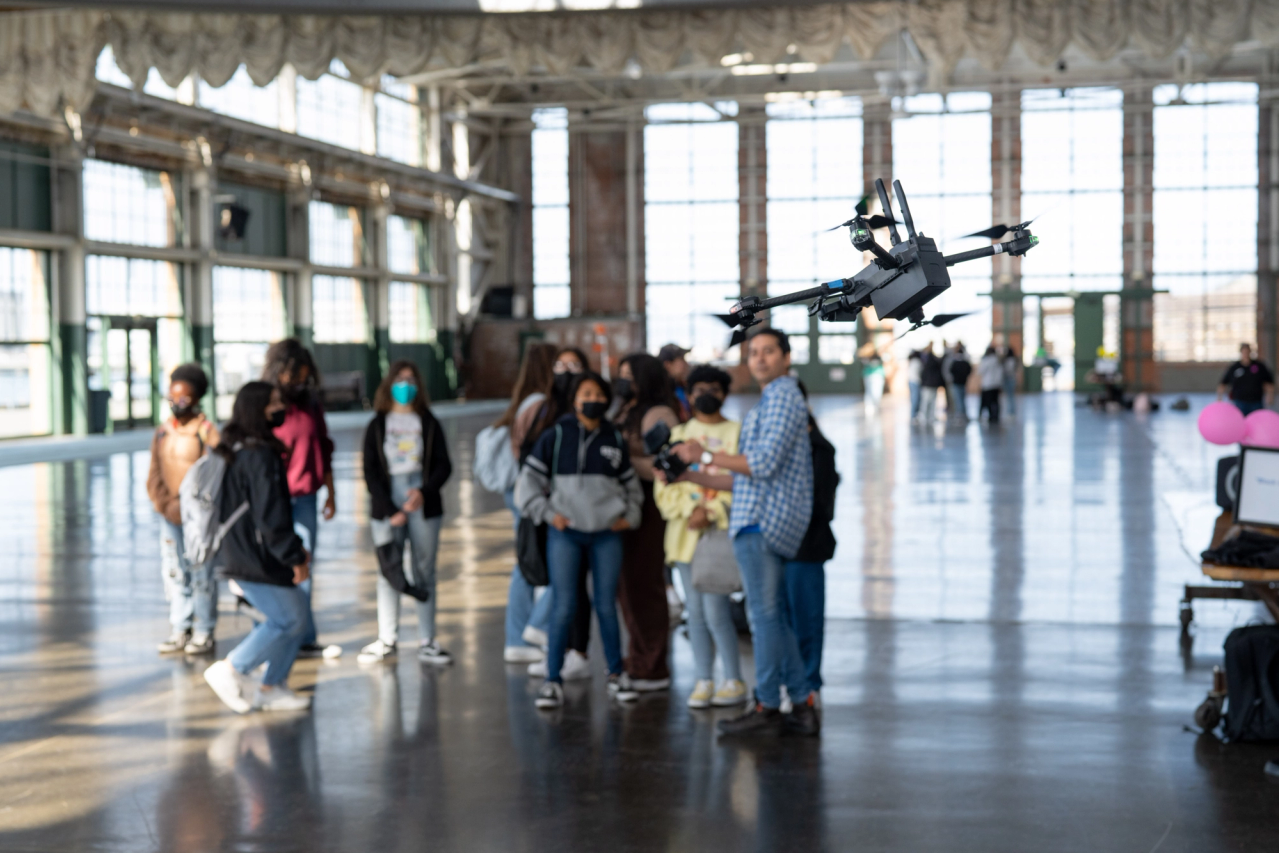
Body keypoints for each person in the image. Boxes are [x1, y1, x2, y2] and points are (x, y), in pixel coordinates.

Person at [673, 328, 818, 737]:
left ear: (786, 357)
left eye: (768, 351)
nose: (759, 358)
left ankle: (768, 704)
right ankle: (802, 701)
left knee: (764, 617)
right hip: (757, 514)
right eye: (753, 352)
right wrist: (689, 473)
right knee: (772, 617)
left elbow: (763, 464)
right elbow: (745, 478)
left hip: (764, 521)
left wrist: (702, 453)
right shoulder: (771, 401)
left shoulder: (784, 398)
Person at [516, 372, 644, 709]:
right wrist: (547, 514)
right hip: (565, 535)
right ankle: (552, 680)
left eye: (600, 394)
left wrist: (629, 517)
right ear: (574, 400)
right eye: (586, 393)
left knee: (606, 605)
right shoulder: (556, 436)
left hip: (606, 536)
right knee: (563, 606)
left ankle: (617, 675)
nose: (594, 400)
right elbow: (527, 482)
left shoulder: (614, 438)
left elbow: (631, 486)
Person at [202, 381, 313, 714]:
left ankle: (272, 686)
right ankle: (232, 668)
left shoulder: (237, 447)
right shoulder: (259, 455)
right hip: (255, 555)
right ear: (257, 410)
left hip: (244, 551)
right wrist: (295, 556)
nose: (281, 408)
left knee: (296, 615)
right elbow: (271, 515)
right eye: (274, 403)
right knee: (288, 619)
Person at [652, 365, 747, 709]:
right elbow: (662, 489)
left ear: (724, 393)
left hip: (719, 536)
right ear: (688, 396)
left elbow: (744, 479)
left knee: (717, 611)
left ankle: (733, 679)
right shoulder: (677, 434)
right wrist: (689, 509)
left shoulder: (738, 432)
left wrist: (712, 511)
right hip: (683, 539)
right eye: (698, 389)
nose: (705, 394)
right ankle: (704, 679)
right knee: (694, 612)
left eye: (713, 388)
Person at [356, 360, 454, 666]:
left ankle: (427, 640)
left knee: (425, 571)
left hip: (422, 503)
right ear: (389, 384)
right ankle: (388, 638)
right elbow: (370, 471)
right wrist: (388, 509)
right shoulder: (378, 424)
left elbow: (443, 464)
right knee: (389, 570)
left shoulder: (428, 421)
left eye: (411, 380)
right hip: (388, 503)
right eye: (400, 379)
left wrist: (423, 493)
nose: (405, 385)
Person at [262, 339, 341, 660]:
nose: (299, 383)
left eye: (304, 378)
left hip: (307, 498)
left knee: (304, 566)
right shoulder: (266, 404)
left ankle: (305, 638)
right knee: (276, 567)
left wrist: (331, 491)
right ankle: (278, 630)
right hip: (274, 502)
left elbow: (324, 445)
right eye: (294, 377)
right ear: (280, 371)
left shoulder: (311, 403)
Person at [522, 346, 596, 681]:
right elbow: (529, 453)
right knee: (558, 581)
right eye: (560, 365)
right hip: (551, 512)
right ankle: (557, 650)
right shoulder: (544, 410)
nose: (566, 371)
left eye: (574, 365)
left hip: (582, 512)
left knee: (577, 585)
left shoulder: (591, 410)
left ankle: (577, 650)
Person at [614, 352, 681, 692]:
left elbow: (664, 464)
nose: (623, 381)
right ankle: (637, 656)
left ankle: (653, 666)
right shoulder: (624, 408)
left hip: (650, 507)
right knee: (625, 586)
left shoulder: (660, 413)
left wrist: (623, 461)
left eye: (629, 375)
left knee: (644, 584)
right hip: (623, 504)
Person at [148, 363, 221, 655]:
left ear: (197, 398)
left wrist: (197, 509)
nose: (176, 404)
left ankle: (204, 630)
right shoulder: (162, 433)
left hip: (199, 518)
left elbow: (215, 474)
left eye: (183, 398)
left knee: (202, 571)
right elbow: (154, 474)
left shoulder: (206, 432)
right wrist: (165, 504)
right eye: (172, 396)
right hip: (170, 515)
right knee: (175, 571)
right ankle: (181, 627)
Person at [497, 342, 559, 663]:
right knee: (542, 559)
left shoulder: (524, 402)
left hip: (520, 490)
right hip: (532, 492)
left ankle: (518, 636)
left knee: (526, 559)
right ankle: (535, 626)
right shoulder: (540, 405)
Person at [785, 381, 840, 707]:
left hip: (805, 547)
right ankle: (784, 681)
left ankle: (808, 685)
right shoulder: (768, 442)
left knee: (806, 618)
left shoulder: (819, 449)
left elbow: (822, 506)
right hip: (774, 548)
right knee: (777, 619)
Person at [1217, 343, 1275, 415]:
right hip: (1239, 401)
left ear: (1250, 352)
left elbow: (1269, 383)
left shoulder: (1259, 366)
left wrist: (1270, 396)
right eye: (1244, 352)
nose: (1246, 354)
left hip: (1256, 401)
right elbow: (1223, 383)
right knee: (1241, 422)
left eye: (1247, 352)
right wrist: (1219, 399)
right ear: (1241, 352)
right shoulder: (1234, 367)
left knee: (1256, 422)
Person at [658, 344, 693, 420]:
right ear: (668, 364)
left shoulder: (682, 386)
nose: (686, 364)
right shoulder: (661, 393)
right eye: (682, 359)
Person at [918, 344, 944, 425]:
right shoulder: (934, 361)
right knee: (930, 401)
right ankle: (928, 416)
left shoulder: (927, 362)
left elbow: (923, 374)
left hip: (928, 384)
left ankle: (926, 416)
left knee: (927, 401)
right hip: (931, 384)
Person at [978, 346, 1005, 424]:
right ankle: (996, 416)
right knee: (995, 401)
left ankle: (990, 416)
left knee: (988, 401)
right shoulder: (998, 361)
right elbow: (1001, 373)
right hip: (996, 384)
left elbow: (980, 371)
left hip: (987, 384)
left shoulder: (986, 361)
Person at [948, 343, 972, 423]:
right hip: (963, 382)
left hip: (957, 383)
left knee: (958, 399)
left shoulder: (955, 363)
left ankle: (960, 414)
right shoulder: (965, 363)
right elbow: (969, 370)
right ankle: (963, 414)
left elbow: (951, 371)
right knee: (962, 399)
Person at [1001, 345, 1020, 415]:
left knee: (1010, 396)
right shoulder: (1011, 360)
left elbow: (1009, 370)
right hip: (1009, 378)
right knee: (1009, 396)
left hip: (1010, 378)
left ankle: (1011, 411)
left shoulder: (1010, 360)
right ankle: (1010, 410)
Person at [906, 349, 923, 420]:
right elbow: (920, 373)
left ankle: (915, 414)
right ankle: (914, 415)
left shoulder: (912, 361)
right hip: (915, 382)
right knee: (915, 399)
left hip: (911, 381)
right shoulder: (917, 362)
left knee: (914, 398)